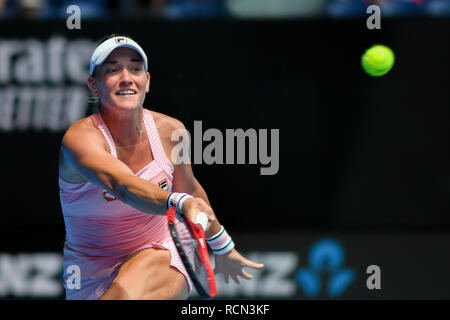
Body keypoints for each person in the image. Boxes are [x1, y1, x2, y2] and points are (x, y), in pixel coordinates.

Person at [58, 34, 263, 300]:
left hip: (164, 248)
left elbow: (191, 190)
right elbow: (123, 185)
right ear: (93, 86)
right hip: (88, 273)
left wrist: (222, 245)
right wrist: (178, 202)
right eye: (111, 70)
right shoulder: (80, 139)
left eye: (135, 68)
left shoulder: (170, 131)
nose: (126, 77)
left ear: (147, 82)